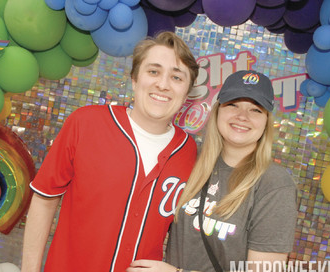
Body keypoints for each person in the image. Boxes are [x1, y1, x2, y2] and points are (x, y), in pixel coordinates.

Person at [20, 31, 199, 272]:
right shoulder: (86, 123)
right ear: (135, 79)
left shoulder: (189, 151)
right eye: (153, 71)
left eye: (177, 77)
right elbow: (44, 200)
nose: (163, 84)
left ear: (187, 93)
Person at [127, 70, 298, 272]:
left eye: (256, 110)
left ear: (266, 122)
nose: (242, 116)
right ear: (217, 111)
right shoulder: (188, 158)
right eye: (233, 104)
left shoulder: (274, 185)